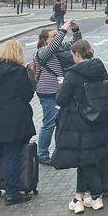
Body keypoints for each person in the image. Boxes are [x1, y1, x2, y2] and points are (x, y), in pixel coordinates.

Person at [53, 40, 108, 214]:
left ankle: (94, 197)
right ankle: (81, 198)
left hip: (78, 122)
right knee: (87, 158)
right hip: (97, 119)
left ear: (77, 54)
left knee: (84, 159)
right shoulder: (100, 69)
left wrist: (61, 87)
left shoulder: (72, 74)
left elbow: (61, 100)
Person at [0, 40, 36, 206]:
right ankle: (11, 193)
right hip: (13, 121)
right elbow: (27, 95)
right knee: (12, 155)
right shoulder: (20, 72)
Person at [33, 20, 82, 165]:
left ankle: (57, 151)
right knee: (49, 123)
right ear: (45, 40)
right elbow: (53, 46)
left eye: (56, 35)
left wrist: (75, 29)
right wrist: (63, 29)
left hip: (58, 91)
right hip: (47, 92)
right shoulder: (43, 52)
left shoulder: (57, 49)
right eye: (53, 36)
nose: (56, 38)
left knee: (60, 122)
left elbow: (76, 43)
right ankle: (41, 154)